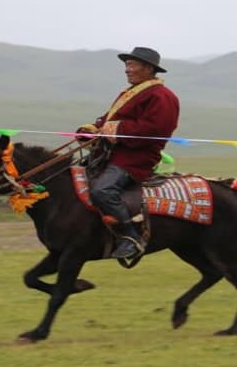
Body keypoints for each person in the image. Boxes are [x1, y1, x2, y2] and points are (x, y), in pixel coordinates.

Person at [76, 46, 180, 264]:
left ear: (148, 68)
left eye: (132, 65)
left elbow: (154, 130)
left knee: (102, 190)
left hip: (136, 158)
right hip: (114, 154)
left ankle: (130, 237)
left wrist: (114, 130)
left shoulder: (162, 96)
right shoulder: (131, 92)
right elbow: (109, 120)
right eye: (126, 65)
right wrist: (93, 130)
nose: (127, 70)